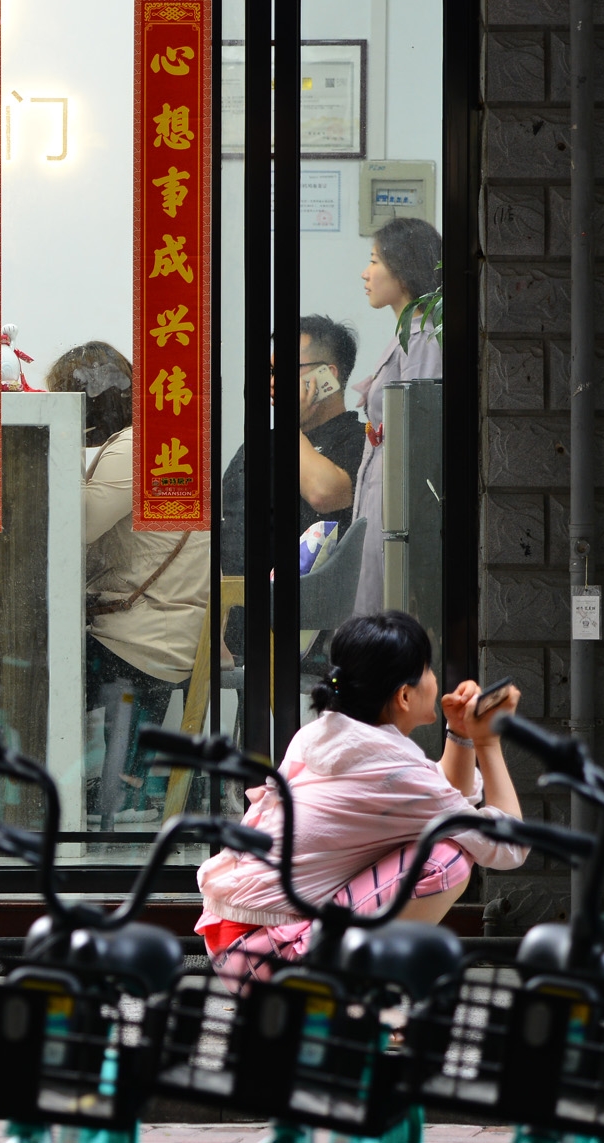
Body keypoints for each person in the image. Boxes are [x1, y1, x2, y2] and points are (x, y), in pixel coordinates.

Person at [196, 611, 527, 985]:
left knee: (444, 834)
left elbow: (445, 799)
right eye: (428, 670)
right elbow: (509, 846)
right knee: (446, 860)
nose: (436, 680)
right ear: (404, 695)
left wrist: (461, 733)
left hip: (236, 945)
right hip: (271, 959)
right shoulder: (392, 769)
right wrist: (488, 742)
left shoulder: (325, 735)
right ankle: (358, 993)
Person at [48, 340, 211, 824]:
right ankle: (106, 788)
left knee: (18, 669)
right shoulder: (156, 441)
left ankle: (53, 799)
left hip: (139, 637)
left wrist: (56, 444)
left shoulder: (135, 447)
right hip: (161, 626)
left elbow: (75, 525)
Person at [217, 314, 370, 602]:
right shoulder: (258, 445)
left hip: (312, 612)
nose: (273, 382)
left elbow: (323, 494)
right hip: (243, 613)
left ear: (327, 376)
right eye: (271, 371)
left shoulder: (359, 441)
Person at [351, 217, 444, 616]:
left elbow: (421, 428)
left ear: (403, 270)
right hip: (384, 488)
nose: (365, 273)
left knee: (383, 606)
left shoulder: (423, 336)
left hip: (400, 495)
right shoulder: (410, 332)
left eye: (375, 261)